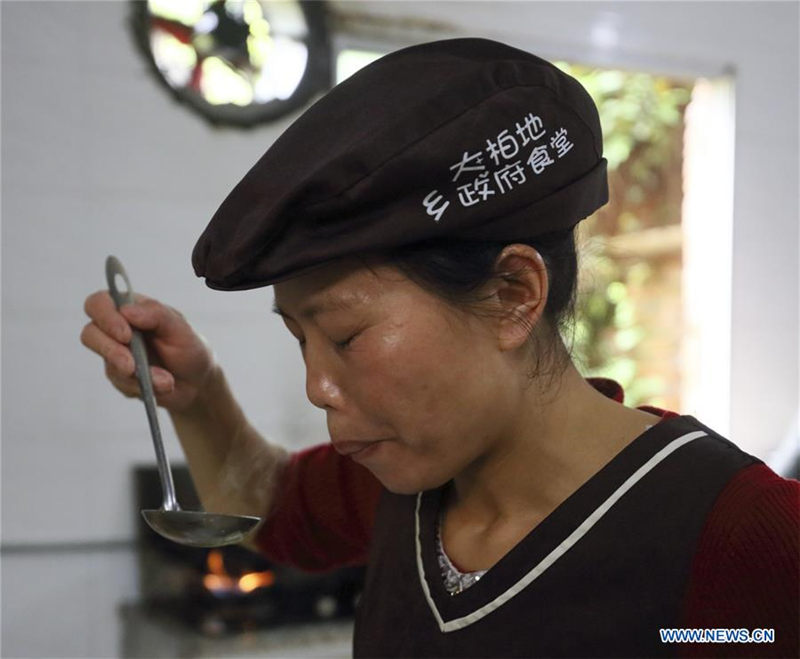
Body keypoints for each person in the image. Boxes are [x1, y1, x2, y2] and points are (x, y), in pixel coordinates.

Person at [81, 38, 799, 658]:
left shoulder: (742, 538)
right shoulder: (404, 481)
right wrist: (198, 392)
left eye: (346, 336)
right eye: (300, 338)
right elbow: (272, 510)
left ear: (515, 293)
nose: (316, 387)